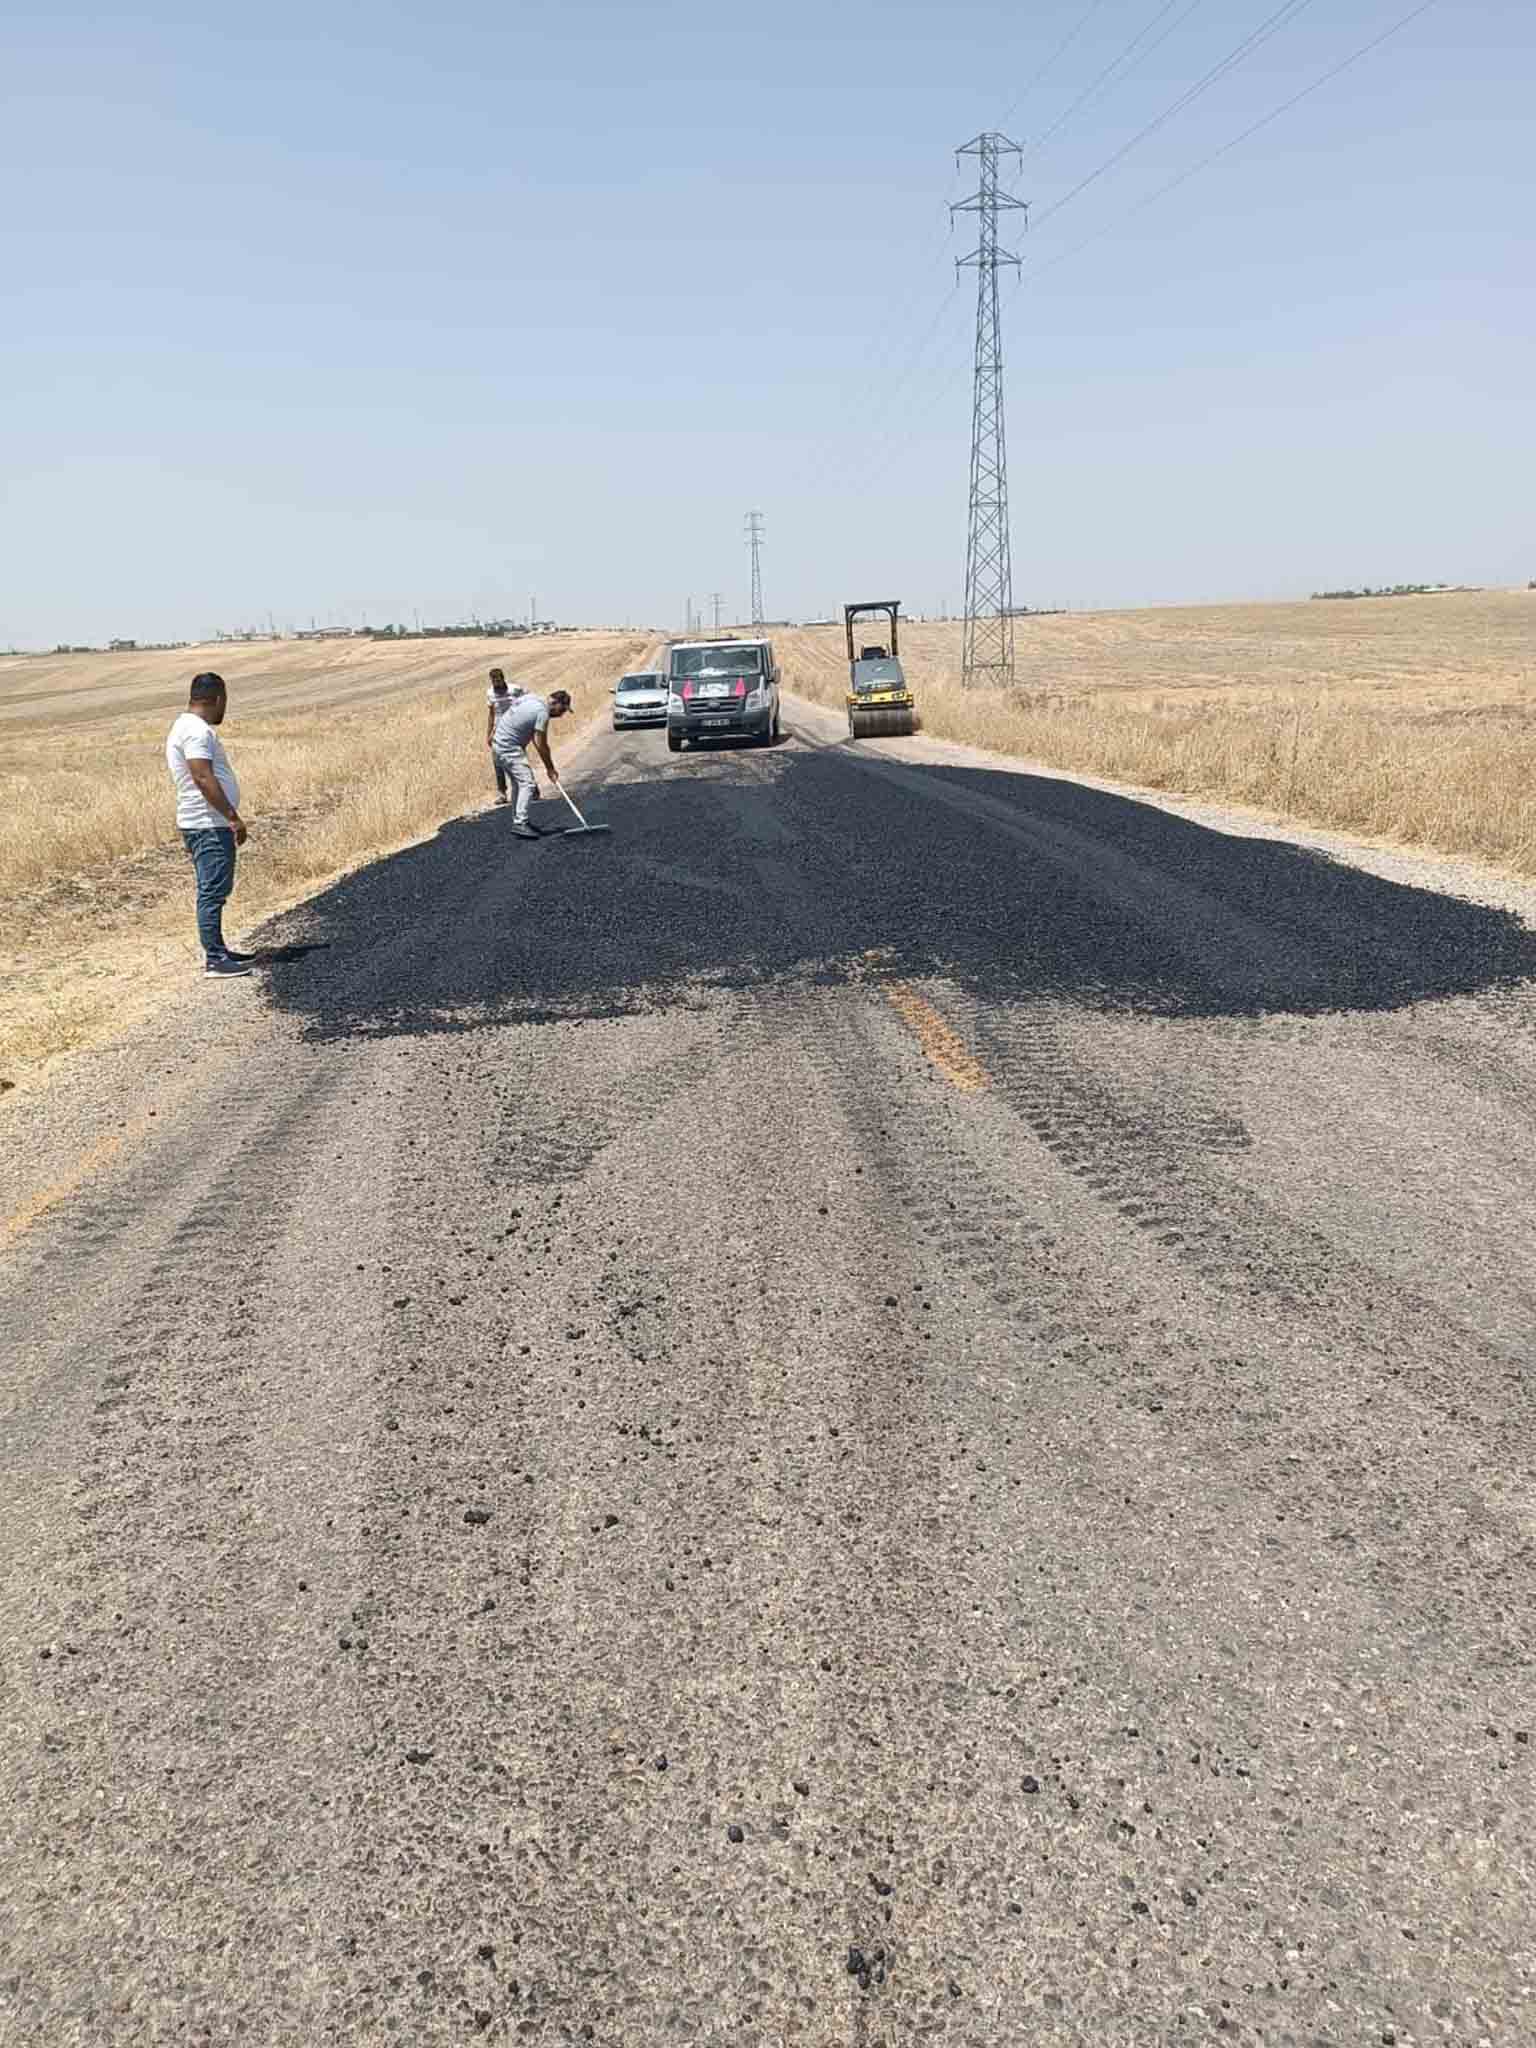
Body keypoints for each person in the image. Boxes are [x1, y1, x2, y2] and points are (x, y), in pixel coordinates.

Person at [165, 672, 254, 978]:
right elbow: (202, 777)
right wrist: (232, 817)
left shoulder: (185, 726)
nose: (224, 709)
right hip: (208, 823)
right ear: (216, 699)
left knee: (214, 887)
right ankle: (215, 959)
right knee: (212, 890)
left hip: (202, 823)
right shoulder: (196, 731)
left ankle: (219, 949)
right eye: (224, 701)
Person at [493, 688, 572, 838]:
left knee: (518, 783)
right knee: (528, 784)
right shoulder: (542, 712)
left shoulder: (531, 697)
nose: (561, 715)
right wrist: (550, 769)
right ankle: (520, 823)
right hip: (508, 747)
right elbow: (540, 744)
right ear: (554, 702)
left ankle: (520, 819)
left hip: (499, 744)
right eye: (562, 710)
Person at [484, 667, 527, 805]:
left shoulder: (515, 689)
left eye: (498, 681)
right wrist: (489, 733)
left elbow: (527, 702)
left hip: (515, 728)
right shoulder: (490, 693)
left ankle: (532, 789)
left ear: (503, 679)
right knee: (497, 762)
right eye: (494, 681)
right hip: (498, 730)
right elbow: (491, 714)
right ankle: (502, 793)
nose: (496, 684)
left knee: (520, 758)